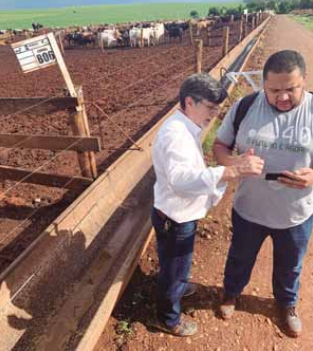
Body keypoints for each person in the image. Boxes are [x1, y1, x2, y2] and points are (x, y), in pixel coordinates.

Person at [151, 73, 264, 337]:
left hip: (176, 212)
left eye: (217, 109)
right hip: (176, 217)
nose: (214, 115)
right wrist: (231, 173)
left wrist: (234, 164)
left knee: (176, 263)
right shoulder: (176, 135)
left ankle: (178, 285)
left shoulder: (185, 126)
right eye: (210, 108)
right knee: (174, 267)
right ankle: (168, 318)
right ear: (189, 102)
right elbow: (181, 180)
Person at [213, 50, 313, 338]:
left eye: (291, 89)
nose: (282, 97)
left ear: (303, 81)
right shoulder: (246, 106)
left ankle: (287, 304)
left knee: (291, 264)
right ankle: (231, 293)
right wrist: (235, 163)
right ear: (263, 85)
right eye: (274, 90)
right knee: (240, 257)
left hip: (296, 213)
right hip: (249, 209)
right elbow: (220, 146)